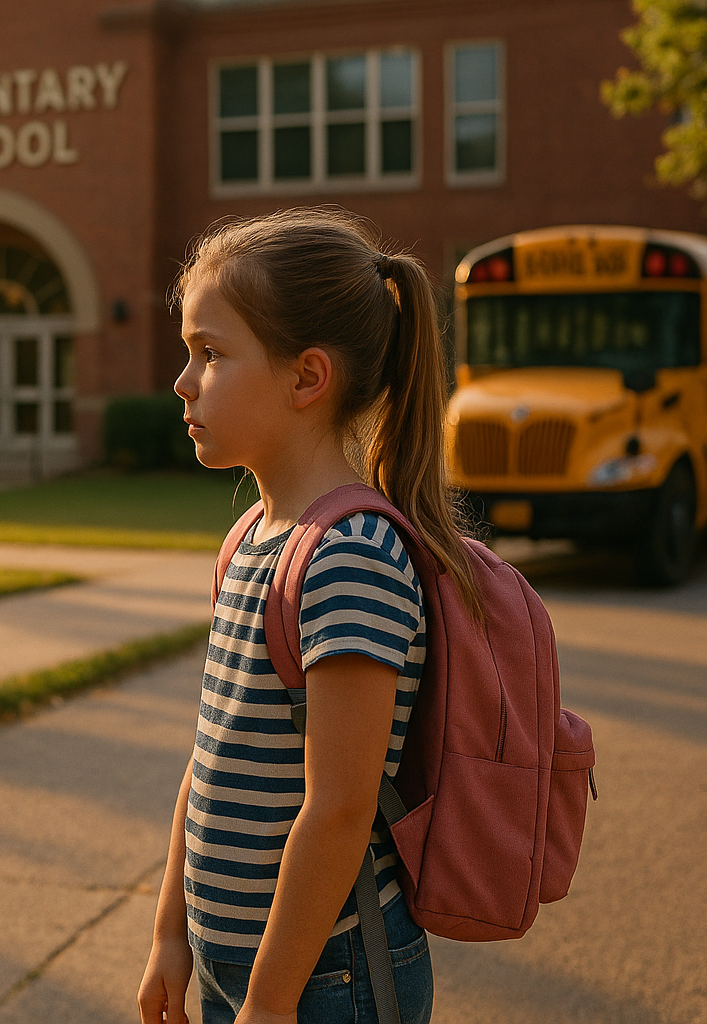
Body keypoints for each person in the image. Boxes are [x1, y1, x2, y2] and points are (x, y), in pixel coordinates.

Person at [139, 208, 483, 1024]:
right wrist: (171, 936)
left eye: (211, 354)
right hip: (248, 964)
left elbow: (338, 808)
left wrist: (269, 999)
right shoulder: (249, 540)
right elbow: (211, 754)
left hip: (326, 975)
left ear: (306, 378)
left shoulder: (351, 555)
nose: (184, 382)